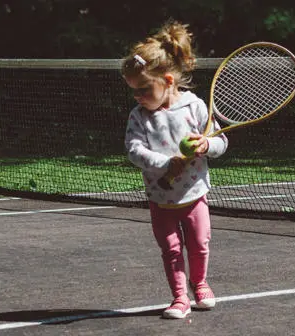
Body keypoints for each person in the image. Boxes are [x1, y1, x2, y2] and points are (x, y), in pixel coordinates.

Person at [122, 21, 228, 319]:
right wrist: (165, 163)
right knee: (171, 249)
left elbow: (220, 142)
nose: (138, 97)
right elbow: (134, 151)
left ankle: (200, 283)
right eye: (134, 91)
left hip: (194, 195)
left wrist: (206, 146)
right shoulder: (139, 117)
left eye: (143, 89)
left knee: (199, 244)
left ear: (168, 80)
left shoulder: (194, 107)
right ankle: (180, 298)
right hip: (160, 198)